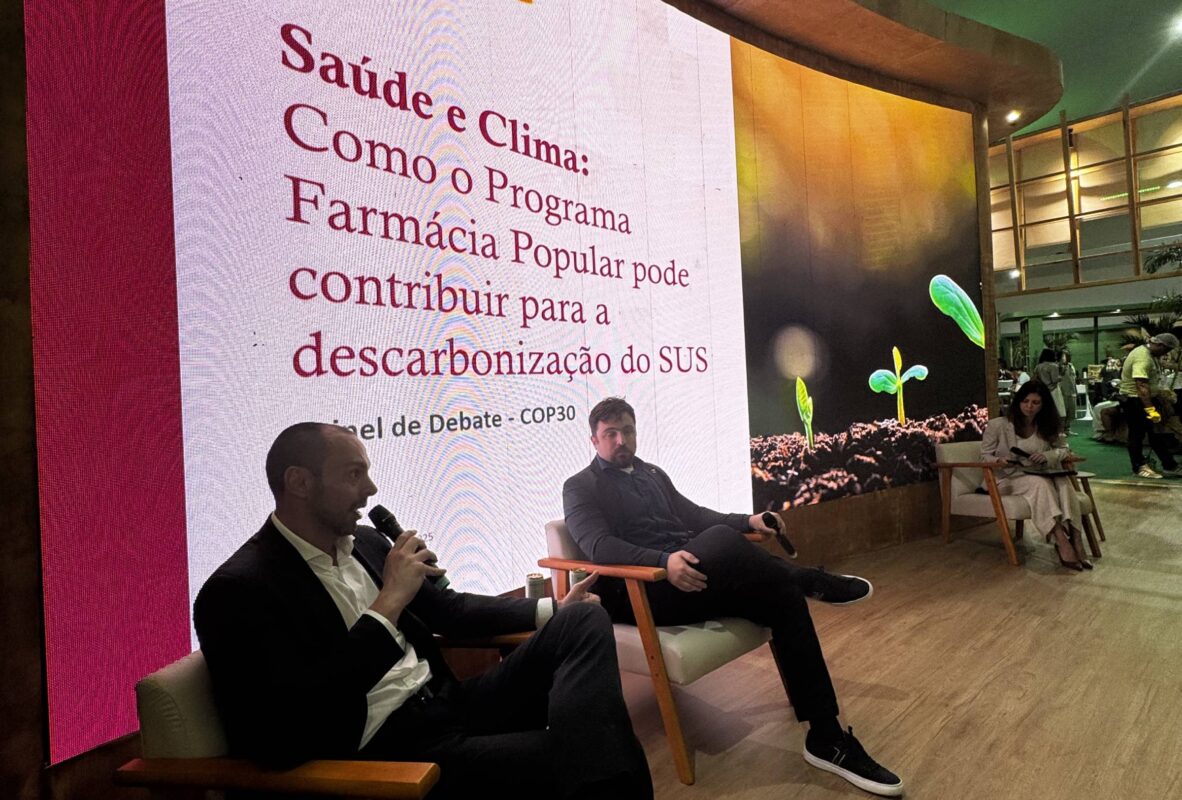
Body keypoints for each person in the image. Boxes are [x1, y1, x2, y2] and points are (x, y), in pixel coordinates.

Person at [194, 422, 652, 800]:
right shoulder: (239, 591)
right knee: (614, 756)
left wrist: (551, 607)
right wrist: (387, 604)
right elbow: (281, 737)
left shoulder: (365, 543)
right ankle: (591, 756)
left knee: (582, 619)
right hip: (390, 752)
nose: (371, 490)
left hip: (447, 704)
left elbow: (449, 611)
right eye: (354, 474)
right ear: (299, 483)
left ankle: (586, 750)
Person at [562, 398, 903, 797]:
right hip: (644, 590)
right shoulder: (580, 487)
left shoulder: (652, 473)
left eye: (627, 431)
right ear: (594, 440)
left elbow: (695, 516)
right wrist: (662, 561)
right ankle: (808, 578)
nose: (621, 440)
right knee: (727, 544)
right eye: (610, 434)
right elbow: (599, 546)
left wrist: (748, 520)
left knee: (783, 599)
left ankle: (826, 738)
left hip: (692, 576)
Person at [981, 381, 1090, 570]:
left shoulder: (1047, 425)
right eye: (1025, 401)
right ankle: (1061, 539)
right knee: (1040, 484)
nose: (1029, 406)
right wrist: (999, 460)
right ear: (1018, 401)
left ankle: (1076, 537)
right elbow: (984, 456)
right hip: (1008, 476)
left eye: (1035, 402)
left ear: (1043, 405)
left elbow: (1064, 449)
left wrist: (1047, 456)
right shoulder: (998, 425)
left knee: (1062, 481)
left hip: (1039, 471)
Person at [1117, 333, 1182, 479]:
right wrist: (1150, 409)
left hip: (1145, 400)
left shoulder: (1150, 354)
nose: (1166, 354)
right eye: (1166, 350)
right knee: (1137, 435)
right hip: (1135, 400)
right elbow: (1141, 386)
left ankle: (1169, 465)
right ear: (1160, 345)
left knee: (1156, 434)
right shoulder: (1143, 357)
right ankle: (1139, 467)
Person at [1033, 348, 1065, 419]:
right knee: (1057, 410)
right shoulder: (1053, 366)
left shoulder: (1038, 366)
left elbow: (1034, 378)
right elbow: (1054, 380)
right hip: (1053, 390)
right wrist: (1060, 377)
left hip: (1042, 390)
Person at [1058, 351, 1078, 434]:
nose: (1064, 358)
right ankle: (1061, 430)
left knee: (1071, 411)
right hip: (1063, 392)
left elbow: (1073, 378)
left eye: (1065, 356)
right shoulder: (1058, 366)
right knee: (1063, 411)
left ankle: (1067, 429)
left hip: (1072, 391)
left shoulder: (1071, 366)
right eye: (1062, 356)